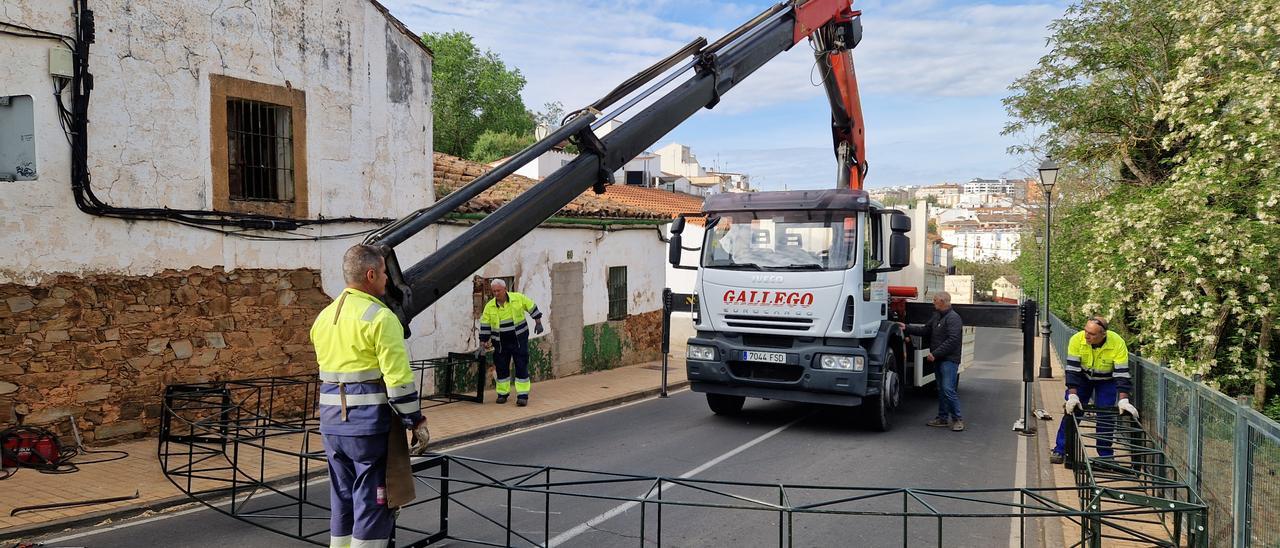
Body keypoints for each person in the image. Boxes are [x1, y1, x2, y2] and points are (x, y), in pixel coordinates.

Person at [310, 244, 431, 548]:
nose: (388, 281)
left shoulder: (324, 317)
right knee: (374, 502)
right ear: (371, 274)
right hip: (367, 428)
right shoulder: (380, 318)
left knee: (343, 500)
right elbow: (398, 381)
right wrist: (416, 421)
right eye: (385, 274)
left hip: (331, 425)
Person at [1050, 316, 1138, 464]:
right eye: (1086, 331)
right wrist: (1072, 396)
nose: (1086, 335)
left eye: (1092, 334)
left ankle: (1105, 456)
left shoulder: (1117, 343)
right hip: (1083, 378)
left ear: (1103, 335)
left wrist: (1123, 399)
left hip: (1106, 381)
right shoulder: (1077, 340)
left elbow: (1122, 373)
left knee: (1106, 415)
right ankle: (1060, 450)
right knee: (1072, 412)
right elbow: (1072, 370)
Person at [898, 291, 965, 432]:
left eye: (935, 300)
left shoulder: (953, 318)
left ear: (942, 301)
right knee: (941, 390)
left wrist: (935, 353)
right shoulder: (937, 316)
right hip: (940, 359)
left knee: (948, 389)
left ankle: (957, 419)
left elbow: (953, 341)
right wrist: (906, 327)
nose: (933, 302)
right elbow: (925, 330)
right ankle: (942, 418)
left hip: (949, 360)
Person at [479, 279, 544, 406]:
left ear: (505, 289)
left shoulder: (518, 298)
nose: (496, 293)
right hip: (500, 343)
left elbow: (531, 306)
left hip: (518, 340)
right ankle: (502, 394)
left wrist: (538, 322)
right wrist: (483, 342)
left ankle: (522, 395)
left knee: (521, 365)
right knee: (502, 367)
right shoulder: (489, 306)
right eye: (494, 291)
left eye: (498, 290)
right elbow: (485, 325)